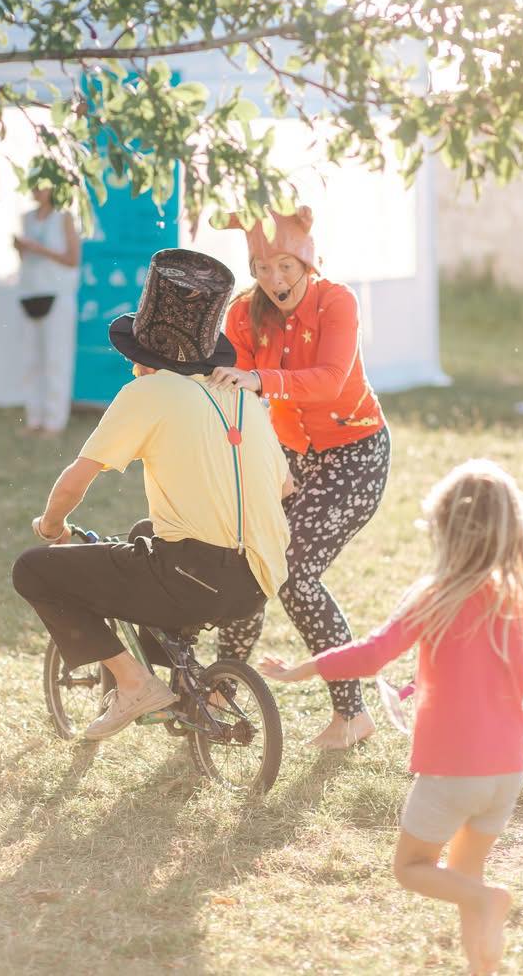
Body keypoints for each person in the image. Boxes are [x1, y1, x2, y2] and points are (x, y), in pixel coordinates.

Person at [259, 459, 523, 975]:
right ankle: (482, 966)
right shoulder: (521, 603)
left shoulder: (435, 596)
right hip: (507, 774)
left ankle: (489, 905)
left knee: (413, 868)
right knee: (468, 878)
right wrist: (515, 742)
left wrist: (303, 669)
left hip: (450, 774)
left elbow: (372, 654)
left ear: (442, 527)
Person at [12, 248, 293, 740]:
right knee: (147, 534)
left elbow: (78, 478)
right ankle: (184, 676)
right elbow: (285, 485)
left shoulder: (148, 394)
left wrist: (51, 526)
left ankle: (135, 682)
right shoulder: (244, 398)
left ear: (142, 355)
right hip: (258, 580)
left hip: (192, 578)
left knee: (33, 570)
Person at [209, 206, 390, 749]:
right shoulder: (243, 312)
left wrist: (259, 379)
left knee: (294, 573)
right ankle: (220, 692)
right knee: (252, 559)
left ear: (306, 262)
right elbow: (229, 389)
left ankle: (351, 716)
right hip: (291, 458)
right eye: (262, 268)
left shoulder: (338, 301)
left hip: (356, 455)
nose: (274, 280)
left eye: (285, 266)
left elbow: (332, 381)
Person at [13, 185, 82, 435]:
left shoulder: (64, 218)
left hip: (57, 295)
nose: (34, 189)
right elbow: (27, 259)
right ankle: (34, 420)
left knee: (56, 359)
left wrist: (38, 248)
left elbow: (73, 259)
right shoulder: (26, 218)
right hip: (30, 292)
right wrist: (22, 249)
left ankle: (54, 422)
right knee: (31, 360)